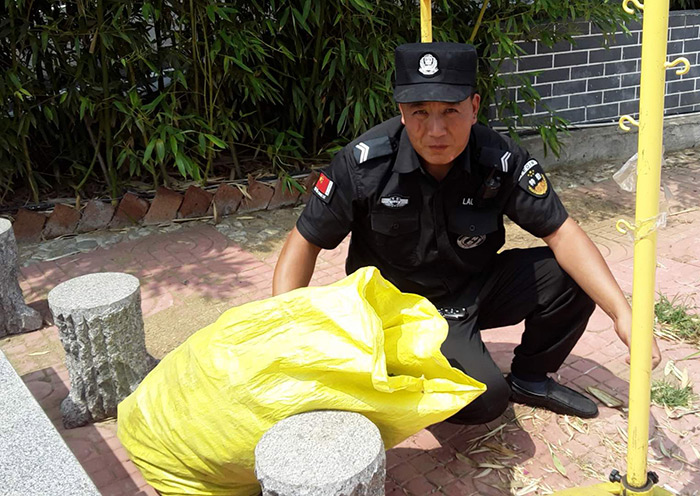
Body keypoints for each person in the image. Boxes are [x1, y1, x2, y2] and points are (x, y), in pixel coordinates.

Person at [272, 42, 661, 424]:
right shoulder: (364, 165)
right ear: (402, 112)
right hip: (396, 310)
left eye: (450, 111)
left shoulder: (500, 160)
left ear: (474, 108)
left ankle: (530, 380)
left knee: (570, 276)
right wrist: (284, 327)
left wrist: (624, 314)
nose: (436, 130)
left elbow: (563, 233)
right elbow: (305, 241)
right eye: (420, 112)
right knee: (485, 400)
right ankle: (391, 370)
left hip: (471, 292)